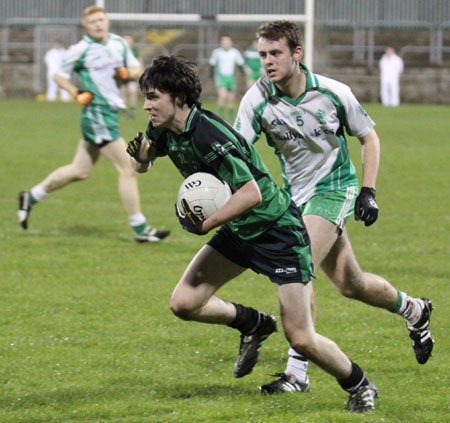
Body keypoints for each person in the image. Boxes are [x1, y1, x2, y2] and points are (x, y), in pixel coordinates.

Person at [126, 55, 379, 412]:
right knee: (183, 303)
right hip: (239, 229)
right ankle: (254, 323)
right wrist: (141, 157)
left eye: (153, 97)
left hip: (277, 231)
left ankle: (360, 385)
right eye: (145, 97)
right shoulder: (163, 127)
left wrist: (205, 224)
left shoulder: (209, 134)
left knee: (301, 338)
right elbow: (145, 163)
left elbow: (251, 193)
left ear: (179, 97)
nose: (146, 104)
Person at [234, 21, 434, 394]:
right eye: (262, 54)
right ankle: (414, 310)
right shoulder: (256, 98)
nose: (267, 62)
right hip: (293, 198)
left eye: (275, 53)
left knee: (298, 264)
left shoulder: (332, 92)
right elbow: (237, 150)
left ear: (297, 54)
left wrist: (368, 191)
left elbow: (369, 138)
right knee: (349, 283)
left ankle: (297, 373)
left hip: (334, 189)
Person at [17, 5, 170, 243]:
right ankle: (140, 229)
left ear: (107, 21)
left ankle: (31, 196)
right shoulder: (81, 49)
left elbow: (136, 68)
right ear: (85, 26)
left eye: (102, 19)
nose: (99, 24)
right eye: (93, 21)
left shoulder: (118, 43)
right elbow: (58, 74)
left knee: (80, 171)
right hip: (96, 114)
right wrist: (75, 92)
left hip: (109, 113)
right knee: (128, 168)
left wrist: (126, 73)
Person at [209, 35, 245, 122]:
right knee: (222, 96)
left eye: (228, 41)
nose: (226, 43)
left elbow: (240, 64)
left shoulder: (234, 52)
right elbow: (212, 64)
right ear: (221, 43)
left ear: (231, 42)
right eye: (224, 41)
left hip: (231, 78)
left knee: (231, 98)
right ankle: (220, 116)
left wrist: (243, 74)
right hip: (221, 77)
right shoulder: (217, 52)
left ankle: (231, 117)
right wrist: (210, 76)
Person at [120, 35, 141, 118]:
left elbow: (139, 61)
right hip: (122, 74)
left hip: (132, 74)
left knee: (132, 91)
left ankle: (132, 110)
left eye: (128, 40)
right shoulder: (120, 52)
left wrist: (140, 71)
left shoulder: (134, 52)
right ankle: (124, 111)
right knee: (123, 93)